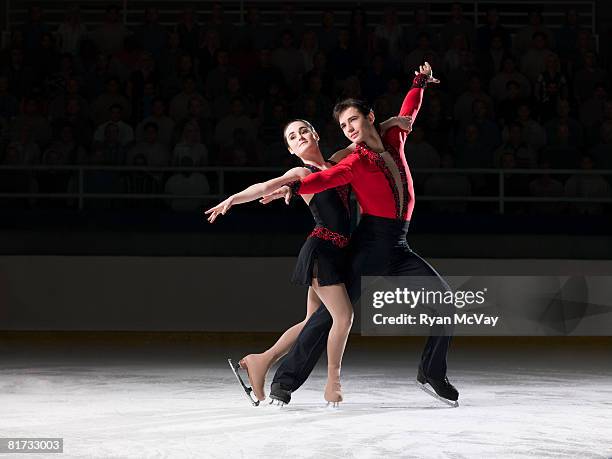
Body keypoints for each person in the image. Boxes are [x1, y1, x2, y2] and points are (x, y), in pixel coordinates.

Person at [262, 63, 460, 407]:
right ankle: (284, 383)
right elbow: (323, 178)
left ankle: (431, 372)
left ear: (369, 116)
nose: (348, 128)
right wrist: (294, 184)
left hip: (398, 245)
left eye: (353, 120)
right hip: (368, 245)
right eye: (342, 125)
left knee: (446, 302)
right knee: (328, 317)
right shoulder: (354, 162)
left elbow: (409, 109)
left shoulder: (394, 137)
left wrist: (419, 83)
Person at [205, 116, 411, 405]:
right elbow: (265, 186)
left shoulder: (339, 161)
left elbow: (367, 136)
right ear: (290, 149)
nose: (299, 136)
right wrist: (232, 200)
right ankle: (333, 384)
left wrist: (392, 121)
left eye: (304, 131)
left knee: (312, 322)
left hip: (338, 253)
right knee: (343, 317)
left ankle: (260, 361)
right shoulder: (301, 171)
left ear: (315, 134)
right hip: (321, 251)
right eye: (292, 137)